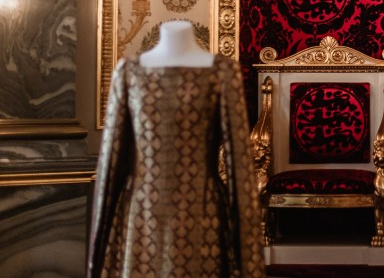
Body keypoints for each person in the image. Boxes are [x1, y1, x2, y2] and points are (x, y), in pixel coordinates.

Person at [88, 20, 266, 277]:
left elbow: (239, 163)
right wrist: (100, 246)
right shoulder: (129, 73)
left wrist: (247, 256)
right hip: (140, 217)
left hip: (201, 215)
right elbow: (110, 162)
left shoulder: (222, 73)